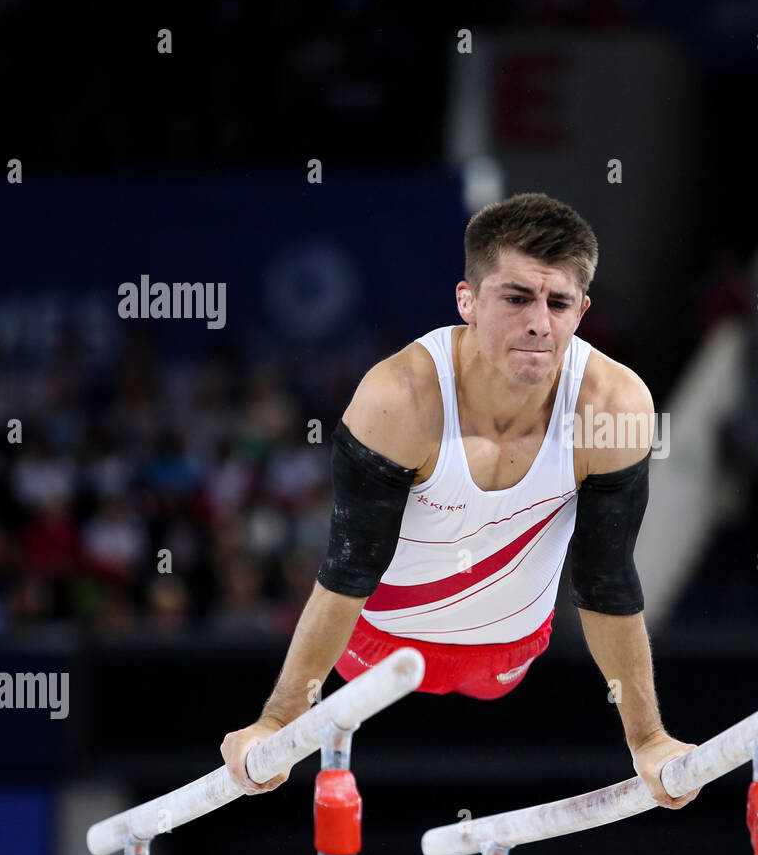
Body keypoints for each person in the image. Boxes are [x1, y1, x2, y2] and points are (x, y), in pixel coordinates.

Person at [221, 193, 700, 810]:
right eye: (517, 297)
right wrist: (278, 720)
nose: (539, 323)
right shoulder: (399, 399)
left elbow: (606, 580)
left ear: (582, 310)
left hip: (511, 652)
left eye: (558, 303)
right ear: (466, 301)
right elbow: (347, 570)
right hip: (378, 644)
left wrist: (649, 740)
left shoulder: (613, 405)